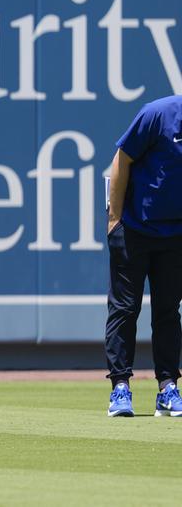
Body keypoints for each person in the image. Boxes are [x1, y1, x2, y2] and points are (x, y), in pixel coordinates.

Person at [105, 94, 182, 417]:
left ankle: (168, 388)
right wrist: (114, 221)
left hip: (175, 234)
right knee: (125, 309)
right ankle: (120, 388)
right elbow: (122, 159)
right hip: (135, 230)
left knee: (167, 312)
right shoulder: (157, 113)